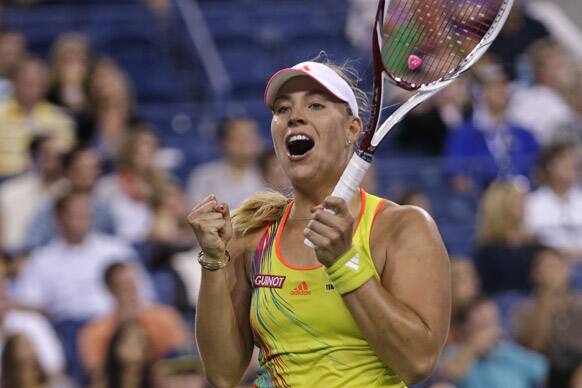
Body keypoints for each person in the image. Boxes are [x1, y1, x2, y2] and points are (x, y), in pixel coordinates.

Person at [188, 60, 451, 386]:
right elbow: (222, 373)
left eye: (315, 104)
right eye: (282, 109)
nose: (294, 116)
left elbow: (418, 361)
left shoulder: (402, 228)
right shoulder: (253, 237)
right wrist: (213, 262)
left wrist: (344, 263)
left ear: (352, 129)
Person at [79, 261, 188, 378]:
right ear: (111, 290)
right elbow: (96, 373)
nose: (131, 291)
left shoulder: (165, 318)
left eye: (133, 284)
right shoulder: (95, 331)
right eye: (123, 286)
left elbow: (179, 359)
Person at [444, 63, 539, 193]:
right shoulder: (463, 134)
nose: (502, 91)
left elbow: (538, 171)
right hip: (481, 202)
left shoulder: (523, 133)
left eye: (504, 86)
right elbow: (457, 178)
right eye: (494, 86)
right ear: (480, 92)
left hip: (522, 198)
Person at [438, 297, 548, 388]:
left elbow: (546, 371)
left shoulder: (509, 351)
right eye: (482, 324)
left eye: (492, 321)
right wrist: (472, 348)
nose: (489, 331)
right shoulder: (456, 352)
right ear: (466, 327)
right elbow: (448, 375)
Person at [512, 247, 582, 388]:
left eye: (555, 266)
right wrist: (546, 301)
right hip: (544, 368)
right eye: (545, 268)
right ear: (535, 274)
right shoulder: (524, 310)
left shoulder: (579, 304)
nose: (551, 273)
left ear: (567, 271)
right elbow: (534, 347)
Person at [0, 56, 76, 179]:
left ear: (44, 86)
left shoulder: (60, 119)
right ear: (14, 82)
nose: (31, 89)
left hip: (47, 182)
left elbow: (66, 157)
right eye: (26, 82)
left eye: (37, 83)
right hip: (5, 182)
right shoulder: (1, 115)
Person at [474, 179, 542, 293]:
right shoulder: (487, 251)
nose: (524, 205)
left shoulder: (535, 246)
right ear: (501, 205)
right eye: (518, 201)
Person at [186, 116, 263, 209]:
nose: (249, 142)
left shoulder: (265, 175)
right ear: (224, 142)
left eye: (252, 136)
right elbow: (195, 214)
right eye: (242, 138)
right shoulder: (204, 176)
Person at [524, 142, 582, 260]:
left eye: (573, 160)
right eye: (564, 159)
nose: (570, 164)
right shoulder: (531, 203)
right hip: (547, 265)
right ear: (549, 166)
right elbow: (527, 239)